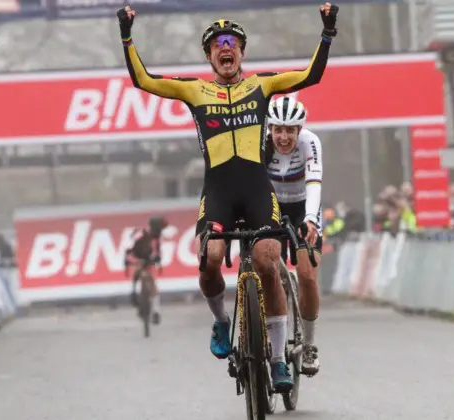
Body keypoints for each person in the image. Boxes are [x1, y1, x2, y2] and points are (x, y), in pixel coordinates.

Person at [116, 2, 339, 392]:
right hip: (218, 190)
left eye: (232, 42)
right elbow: (143, 80)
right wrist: (127, 36)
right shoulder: (193, 90)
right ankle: (221, 321)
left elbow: (310, 75)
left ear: (241, 52)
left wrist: (327, 31)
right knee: (210, 260)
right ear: (209, 56)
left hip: (256, 190)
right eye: (218, 43)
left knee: (269, 262)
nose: (226, 46)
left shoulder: (261, 85)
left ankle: (276, 362)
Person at [263, 96, 323, 376]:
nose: (283, 137)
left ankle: (309, 344)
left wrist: (310, 218)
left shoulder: (310, 142)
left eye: (290, 130)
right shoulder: (262, 144)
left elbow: (313, 182)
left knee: (308, 276)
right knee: (267, 266)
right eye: (278, 130)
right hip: (271, 205)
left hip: (303, 207)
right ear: (270, 129)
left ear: (299, 130)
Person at [125, 216, 168, 325]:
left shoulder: (156, 238)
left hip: (148, 260)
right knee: (138, 272)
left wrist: (158, 261)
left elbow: (157, 253)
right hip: (136, 257)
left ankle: (156, 310)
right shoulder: (141, 233)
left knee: (152, 281)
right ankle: (134, 291)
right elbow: (130, 246)